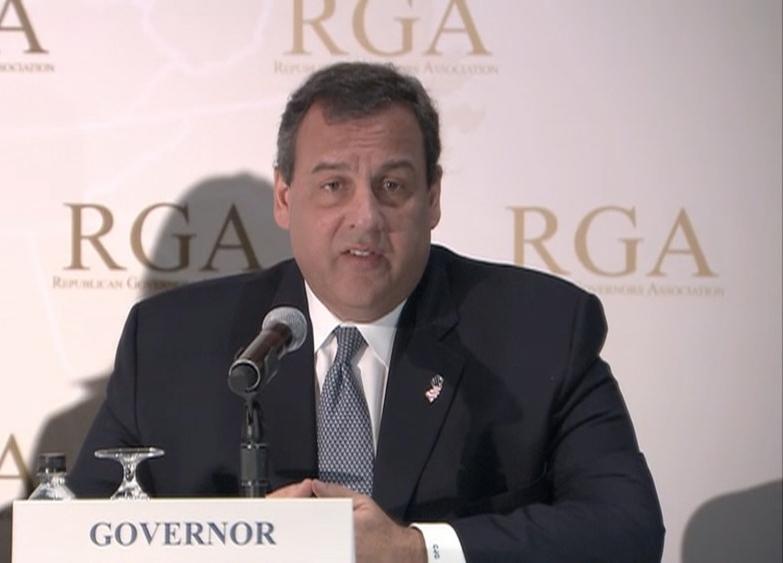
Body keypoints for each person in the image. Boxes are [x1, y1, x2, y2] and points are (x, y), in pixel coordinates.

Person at [67, 61, 664, 562]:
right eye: (333, 186)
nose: (365, 217)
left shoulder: (541, 330)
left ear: (433, 198)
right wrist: (238, 542)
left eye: (392, 186)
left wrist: (418, 550)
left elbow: (627, 528)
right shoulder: (170, 342)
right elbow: (70, 541)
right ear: (285, 198)